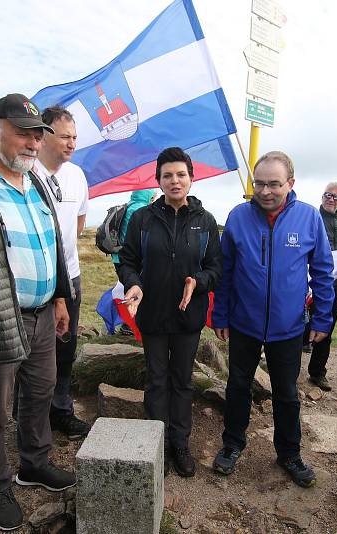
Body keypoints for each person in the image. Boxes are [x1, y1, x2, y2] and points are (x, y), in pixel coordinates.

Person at [0, 94, 75, 531]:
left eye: (36, 134)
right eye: (22, 132)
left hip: (44, 313)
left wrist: (60, 298)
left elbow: (54, 245)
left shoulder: (38, 181)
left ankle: (34, 464)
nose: (31, 142)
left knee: (41, 392)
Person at [211, 150, 335, 488]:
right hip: (243, 323)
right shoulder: (238, 217)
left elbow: (323, 273)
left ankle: (289, 454)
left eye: (274, 184)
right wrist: (220, 314)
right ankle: (232, 444)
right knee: (237, 386)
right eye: (259, 183)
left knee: (286, 393)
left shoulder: (309, 218)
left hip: (288, 327)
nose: (265, 191)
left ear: (290, 183)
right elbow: (225, 272)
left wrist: (323, 319)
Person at [118, 147, 221, 477]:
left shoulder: (205, 222)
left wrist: (200, 282)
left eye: (181, 174)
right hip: (152, 316)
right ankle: (156, 444)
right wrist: (133, 284)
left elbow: (216, 267)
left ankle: (180, 443)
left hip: (189, 319)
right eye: (167, 175)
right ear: (158, 180)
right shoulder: (143, 219)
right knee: (156, 380)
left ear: (191, 178)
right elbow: (128, 261)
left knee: (182, 381)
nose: (174, 181)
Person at [34, 106, 91, 440]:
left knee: (65, 347)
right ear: (44, 134)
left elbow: (79, 223)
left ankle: (61, 410)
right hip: (35, 280)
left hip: (69, 276)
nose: (71, 143)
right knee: (33, 350)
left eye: (75, 137)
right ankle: (32, 416)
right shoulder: (26, 173)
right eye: (65, 136)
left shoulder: (77, 176)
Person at [305, 181, 337, 391]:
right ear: (322, 195)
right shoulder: (309, 218)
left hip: (334, 286)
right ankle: (283, 369)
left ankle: (317, 373)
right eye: (328, 195)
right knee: (298, 325)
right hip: (307, 284)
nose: (331, 199)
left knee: (325, 329)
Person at [111, 189, 157, 275]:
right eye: (153, 197)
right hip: (129, 257)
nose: (153, 200)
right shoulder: (140, 209)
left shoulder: (130, 205)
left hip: (119, 255)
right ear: (147, 195)